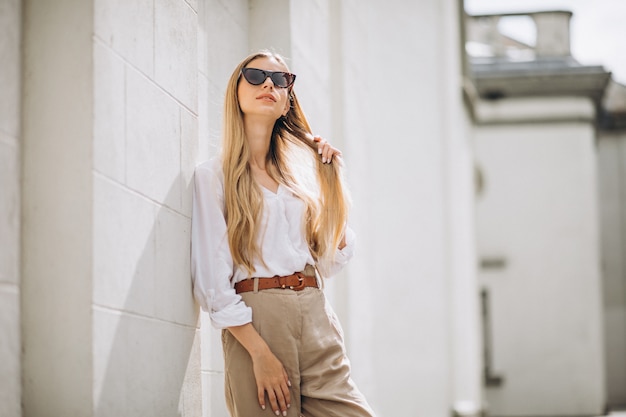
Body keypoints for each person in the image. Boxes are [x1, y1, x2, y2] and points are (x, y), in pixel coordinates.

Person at [191, 50, 375, 417]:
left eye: (281, 79)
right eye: (256, 76)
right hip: (257, 319)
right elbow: (212, 283)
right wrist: (259, 354)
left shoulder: (301, 178)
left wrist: (331, 181)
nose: (269, 85)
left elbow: (330, 257)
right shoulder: (214, 177)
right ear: (236, 90)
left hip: (314, 310)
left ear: (288, 98)